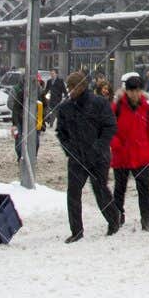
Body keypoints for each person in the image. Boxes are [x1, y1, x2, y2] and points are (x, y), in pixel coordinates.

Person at [56, 71, 120, 243]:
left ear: (82, 86)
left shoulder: (99, 103)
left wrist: (99, 147)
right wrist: (69, 150)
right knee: (73, 193)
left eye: (73, 87)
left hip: (98, 157)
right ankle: (76, 231)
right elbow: (60, 132)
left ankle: (114, 220)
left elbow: (110, 127)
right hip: (76, 157)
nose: (70, 90)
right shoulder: (65, 108)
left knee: (100, 190)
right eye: (68, 87)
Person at [111, 74, 149, 232]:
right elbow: (109, 128)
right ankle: (117, 216)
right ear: (127, 91)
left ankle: (146, 219)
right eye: (132, 91)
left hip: (141, 154)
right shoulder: (117, 107)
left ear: (141, 91)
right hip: (122, 154)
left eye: (137, 90)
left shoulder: (147, 109)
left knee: (144, 189)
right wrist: (116, 144)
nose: (134, 94)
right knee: (120, 188)